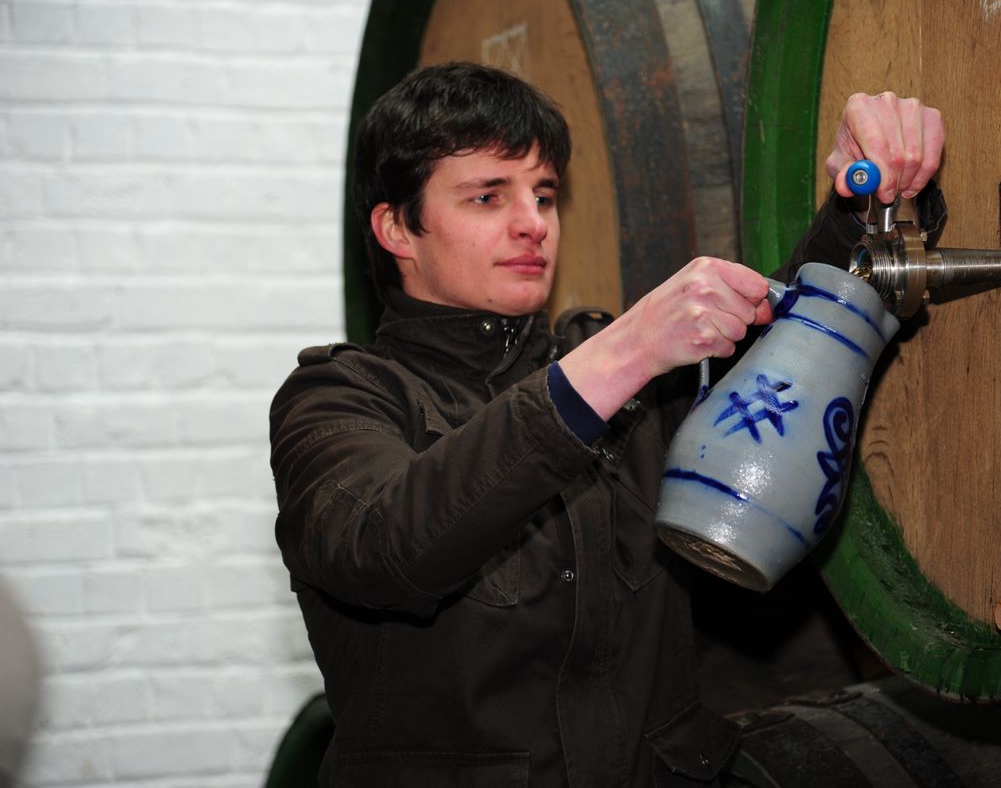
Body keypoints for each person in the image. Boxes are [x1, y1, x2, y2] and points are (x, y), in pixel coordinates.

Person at [270, 62, 943, 787]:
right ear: (398, 228)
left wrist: (861, 199)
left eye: (545, 194)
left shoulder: (616, 375)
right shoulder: (338, 398)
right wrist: (627, 350)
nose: (532, 222)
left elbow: (790, 355)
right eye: (488, 195)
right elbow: (387, 548)